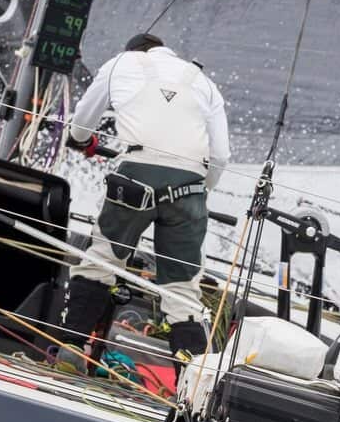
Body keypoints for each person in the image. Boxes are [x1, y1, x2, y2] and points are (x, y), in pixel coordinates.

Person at [56, 32, 230, 374]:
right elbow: (220, 156)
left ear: (133, 51)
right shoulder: (204, 82)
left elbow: (80, 126)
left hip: (134, 178)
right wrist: (198, 189)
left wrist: (83, 140)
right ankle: (189, 393)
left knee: (102, 261)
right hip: (191, 188)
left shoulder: (121, 63)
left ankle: (72, 350)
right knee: (182, 293)